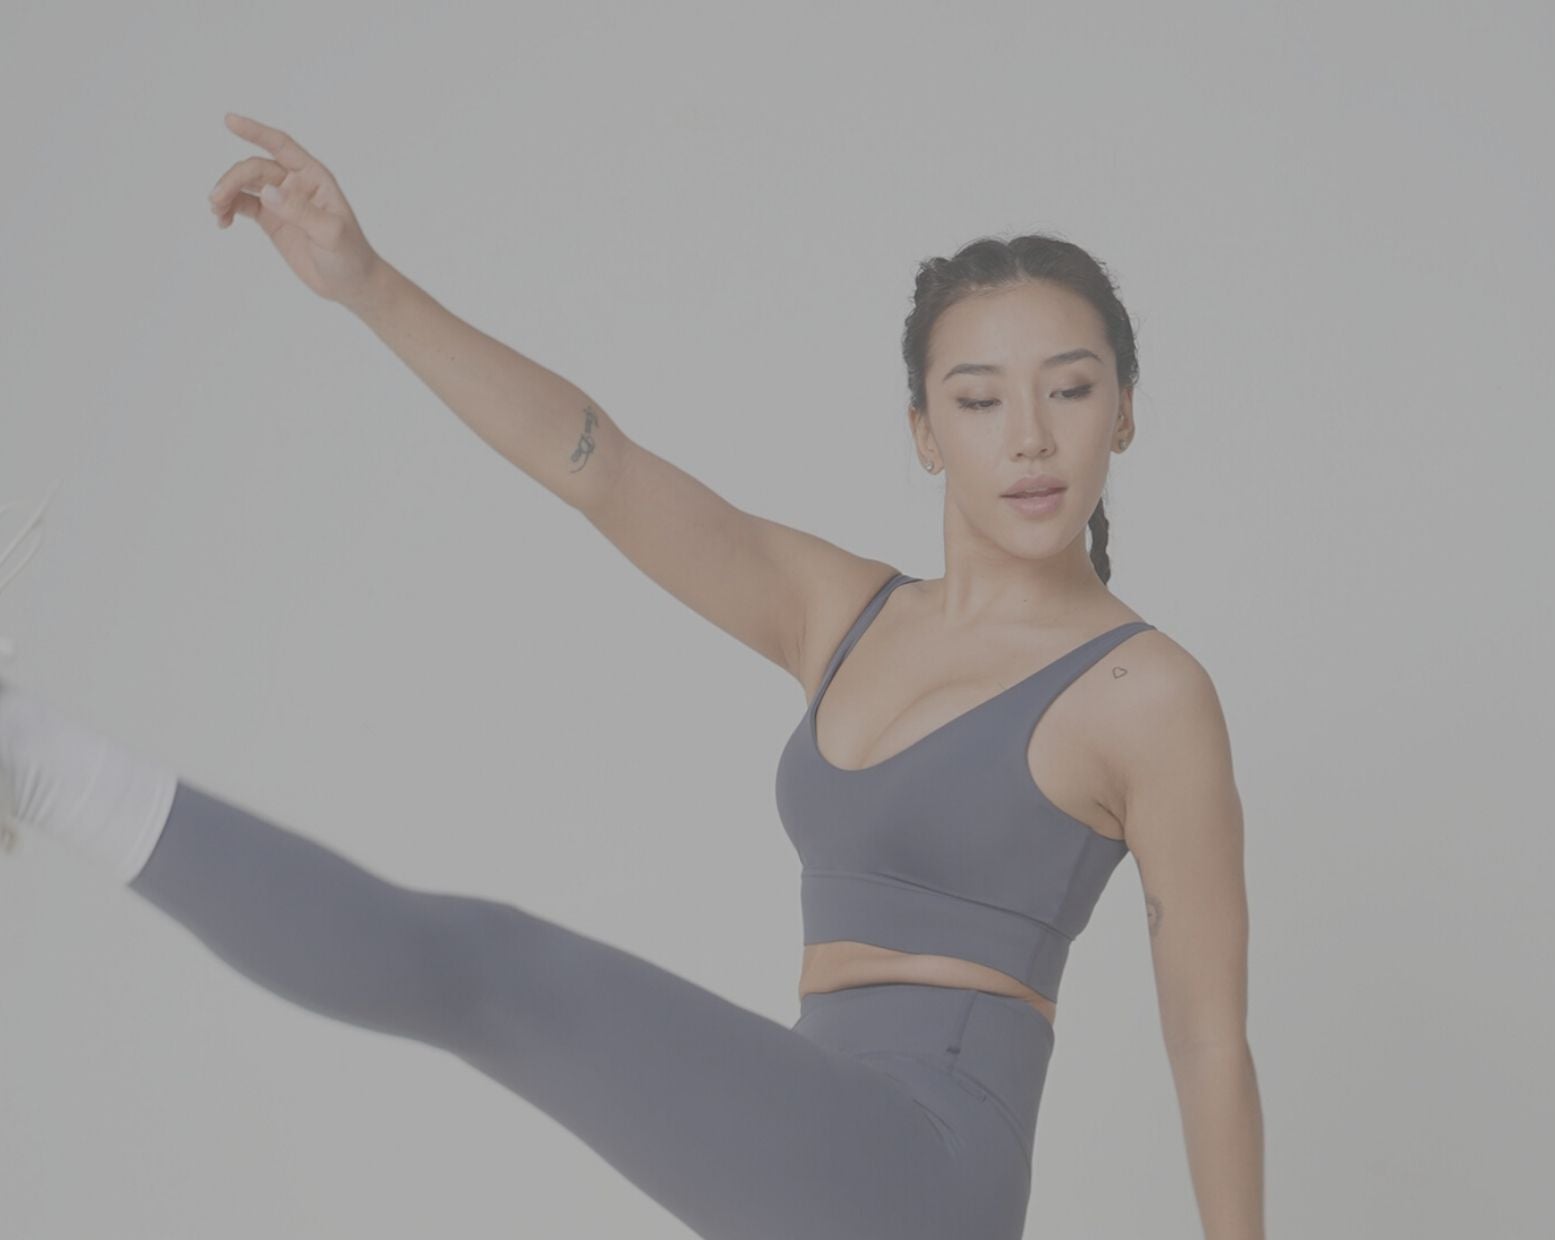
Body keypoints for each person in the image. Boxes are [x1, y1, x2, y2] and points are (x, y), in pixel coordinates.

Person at [0, 113, 1264, 1239]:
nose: (1030, 438)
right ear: (924, 432)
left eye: (1069, 390)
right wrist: (367, 284)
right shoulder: (842, 612)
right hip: (817, 1127)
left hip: (922, 1169)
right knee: (489, 980)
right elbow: (596, 465)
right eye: (980, 400)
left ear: (1122, 410)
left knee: (493, 970)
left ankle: (36, 764)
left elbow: (1207, 1040)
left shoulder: (1144, 693)